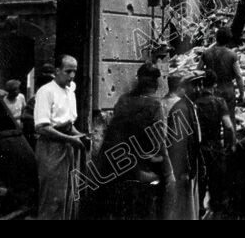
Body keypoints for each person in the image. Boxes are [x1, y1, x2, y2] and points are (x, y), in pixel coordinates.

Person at [93, 64, 174, 220]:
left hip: (114, 167)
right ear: (156, 84)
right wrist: (169, 172)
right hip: (140, 170)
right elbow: (160, 142)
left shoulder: (123, 100)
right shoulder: (155, 105)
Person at [33, 55, 85, 220]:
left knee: (66, 196)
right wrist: (70, 139)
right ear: (57, 71)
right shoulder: (46, 91)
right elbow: (42, 127)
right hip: (51, 148)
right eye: (68, 71)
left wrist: (79, 135)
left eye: (74, 72)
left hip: (67, 147)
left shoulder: (70, 90)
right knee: (51, 198)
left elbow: (68, 123)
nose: (71, 75)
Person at [196, 70, 235, 218]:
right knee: (217, 183)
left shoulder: (194, 103)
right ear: (215, 84)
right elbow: (228, 126)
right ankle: (217, 214)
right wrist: (229, 145)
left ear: (201, 84)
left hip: (200, 147)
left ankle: (200, 210)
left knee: (201, 182)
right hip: (216, 147)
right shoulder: (219, 102)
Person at [167, 74, 202, 220]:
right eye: (194, 86)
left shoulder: (188, 106)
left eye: (199, 86)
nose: (198, 90)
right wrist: (185, 169)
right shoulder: (181, 108)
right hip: (183, 169)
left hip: (189, 166)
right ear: (185, 88)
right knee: (183, 207)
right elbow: (179, 143)